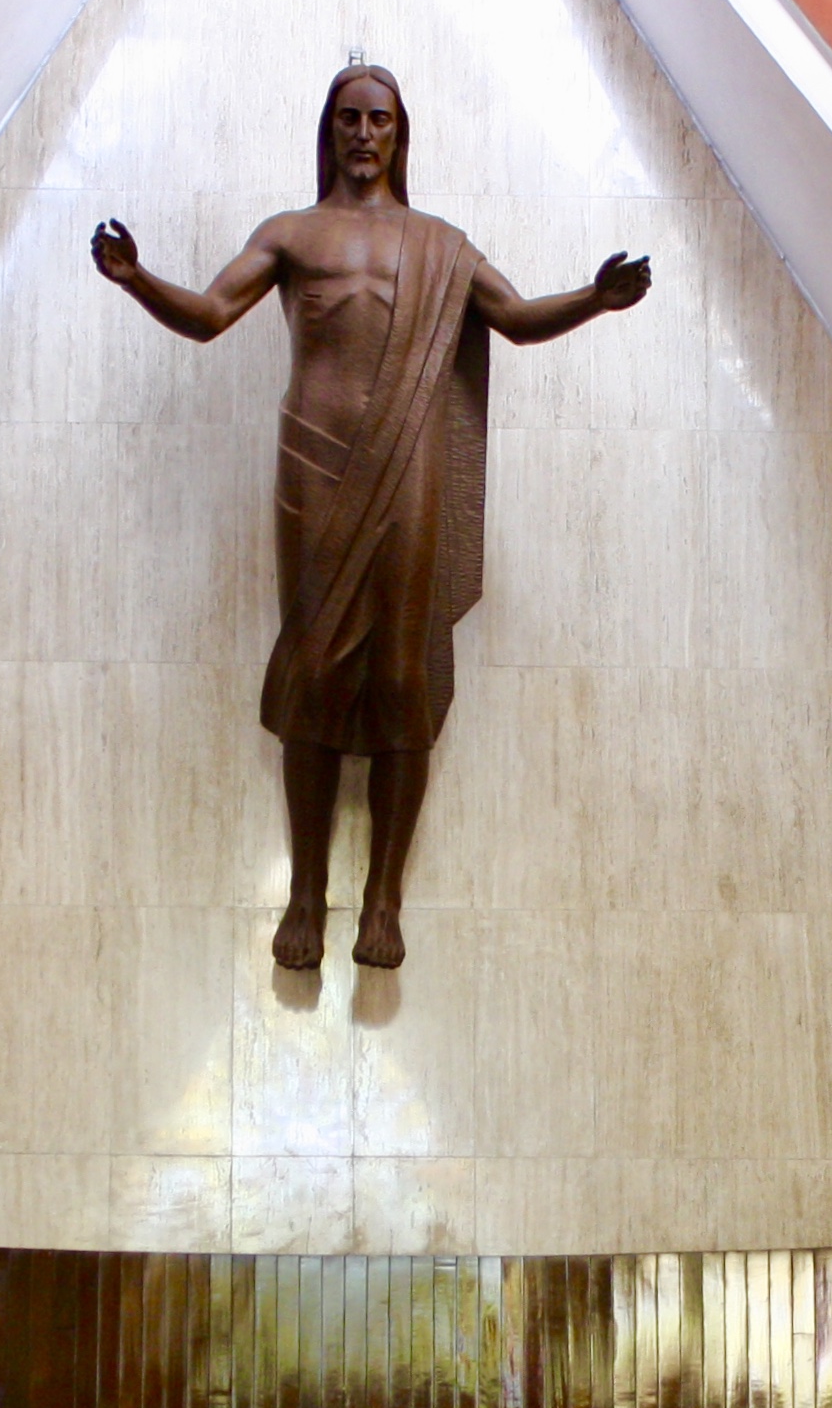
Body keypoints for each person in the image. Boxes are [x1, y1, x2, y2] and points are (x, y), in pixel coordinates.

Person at [94, 65, 650, 969]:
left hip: (408, 467)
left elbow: (512, 317)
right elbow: (208, 313)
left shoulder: (439, 245)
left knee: (402, 674)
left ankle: (384, 898)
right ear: (329, 129)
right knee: (313, 667)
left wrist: (594, 298)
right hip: (311, 468)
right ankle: (306, 892)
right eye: (349, 118)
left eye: (379, 120)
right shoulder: (290, 233)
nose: (363, 133)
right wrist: (134, 278)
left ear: (399, 133)